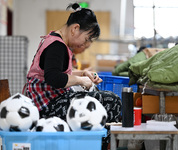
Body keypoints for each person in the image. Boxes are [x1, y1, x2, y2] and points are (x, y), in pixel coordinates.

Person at [23, 3, 121, 149]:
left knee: (100, 97)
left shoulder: (55, 41)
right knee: (111, 101)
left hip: (50, 102)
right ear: (75, 29)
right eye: (87, 39)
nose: (85, 44)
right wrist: (81, 80)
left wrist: (82, 73)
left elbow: (55, 73)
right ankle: (99, 145)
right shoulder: (57, 46)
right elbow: (54, 78)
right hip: (47, 107)